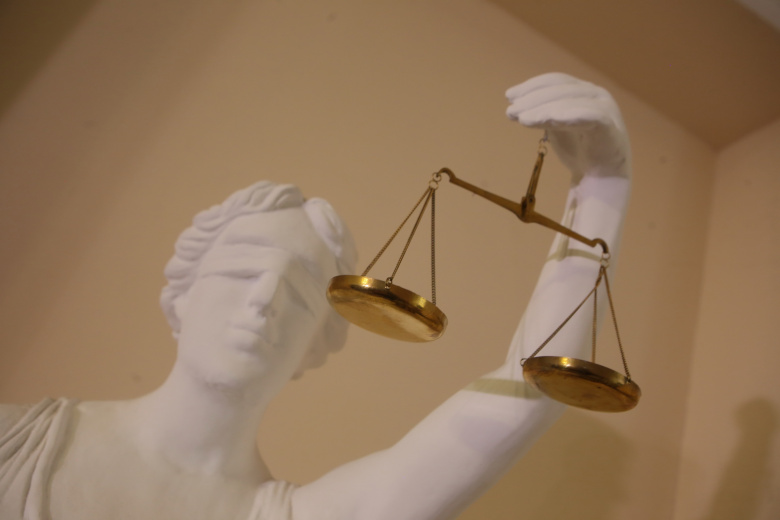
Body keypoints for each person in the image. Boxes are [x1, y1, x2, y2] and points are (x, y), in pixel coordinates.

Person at [0, 72, 631, 520]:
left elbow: (536, 384)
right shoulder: (13, 442)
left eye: (300, 294)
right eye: (241, 271)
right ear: (182, 294)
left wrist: (602, 189)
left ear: (316, 344)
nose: (264, 301)